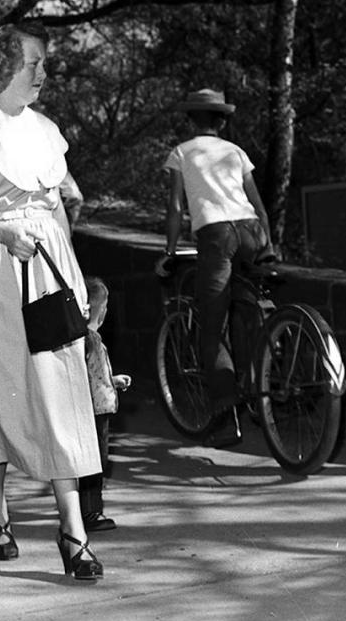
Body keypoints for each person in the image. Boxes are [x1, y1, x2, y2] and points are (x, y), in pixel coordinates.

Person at [0, 22, 104, 580]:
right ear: (0, 67)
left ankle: (72, 530)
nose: (42, 72)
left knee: (61, 395)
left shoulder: (48, 131)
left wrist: (74, 280)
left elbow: (55, 210)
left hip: (48, 275)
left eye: (42, 63)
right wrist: (1, 234)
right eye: (32, 62)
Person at [156, 87, 273, 443]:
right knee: (250, 305)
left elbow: (176, 208)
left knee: (212, 325)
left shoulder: (182, 152)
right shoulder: (236, 151)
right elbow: (256, 201)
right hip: (252, 232)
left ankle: (225, 415)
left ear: (192, 119)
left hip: (217, 236)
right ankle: (265, 371)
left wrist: (170, 250)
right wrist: (269, 242)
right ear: (221, 121)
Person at [78, 276, 131, 533]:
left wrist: (113, 380)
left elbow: (95, 372)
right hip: (95, 410)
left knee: (95, 461)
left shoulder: (88, 339)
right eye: (105, 305)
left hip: (97, 407)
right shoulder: (89, 340)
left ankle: (87, 509)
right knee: (95, 462)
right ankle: (91, 512)